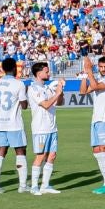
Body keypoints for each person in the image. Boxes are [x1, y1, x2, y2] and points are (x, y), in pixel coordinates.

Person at [79, 53, 105, 194]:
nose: (103, 69)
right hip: (96, 120)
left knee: (104, 150)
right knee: (97, 151)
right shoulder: (96, 78)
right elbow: (83, 91)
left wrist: (89, 70)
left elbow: (95, 87)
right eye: (101, 67)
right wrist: (85, 74)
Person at [0, 57, 29, 195]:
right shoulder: (19, 84)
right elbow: (24, 106)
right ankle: (23, 186)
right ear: (15, 68)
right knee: (20, 151)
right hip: (14, 124)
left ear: (3, 69)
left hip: (0, 123)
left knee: (0, 153)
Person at [26, 61, 63, 194]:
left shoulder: (47, 88)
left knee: (52, 155)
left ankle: (45, 185)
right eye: (46, 71)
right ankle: (34, 186)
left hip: (52, 127)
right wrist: (57, 93)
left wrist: (60, 90)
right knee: (40, 156)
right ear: (39, 73)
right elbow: (46, 104)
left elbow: (60, 102)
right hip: (40, 128)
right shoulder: (33, 89)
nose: (49, 73)